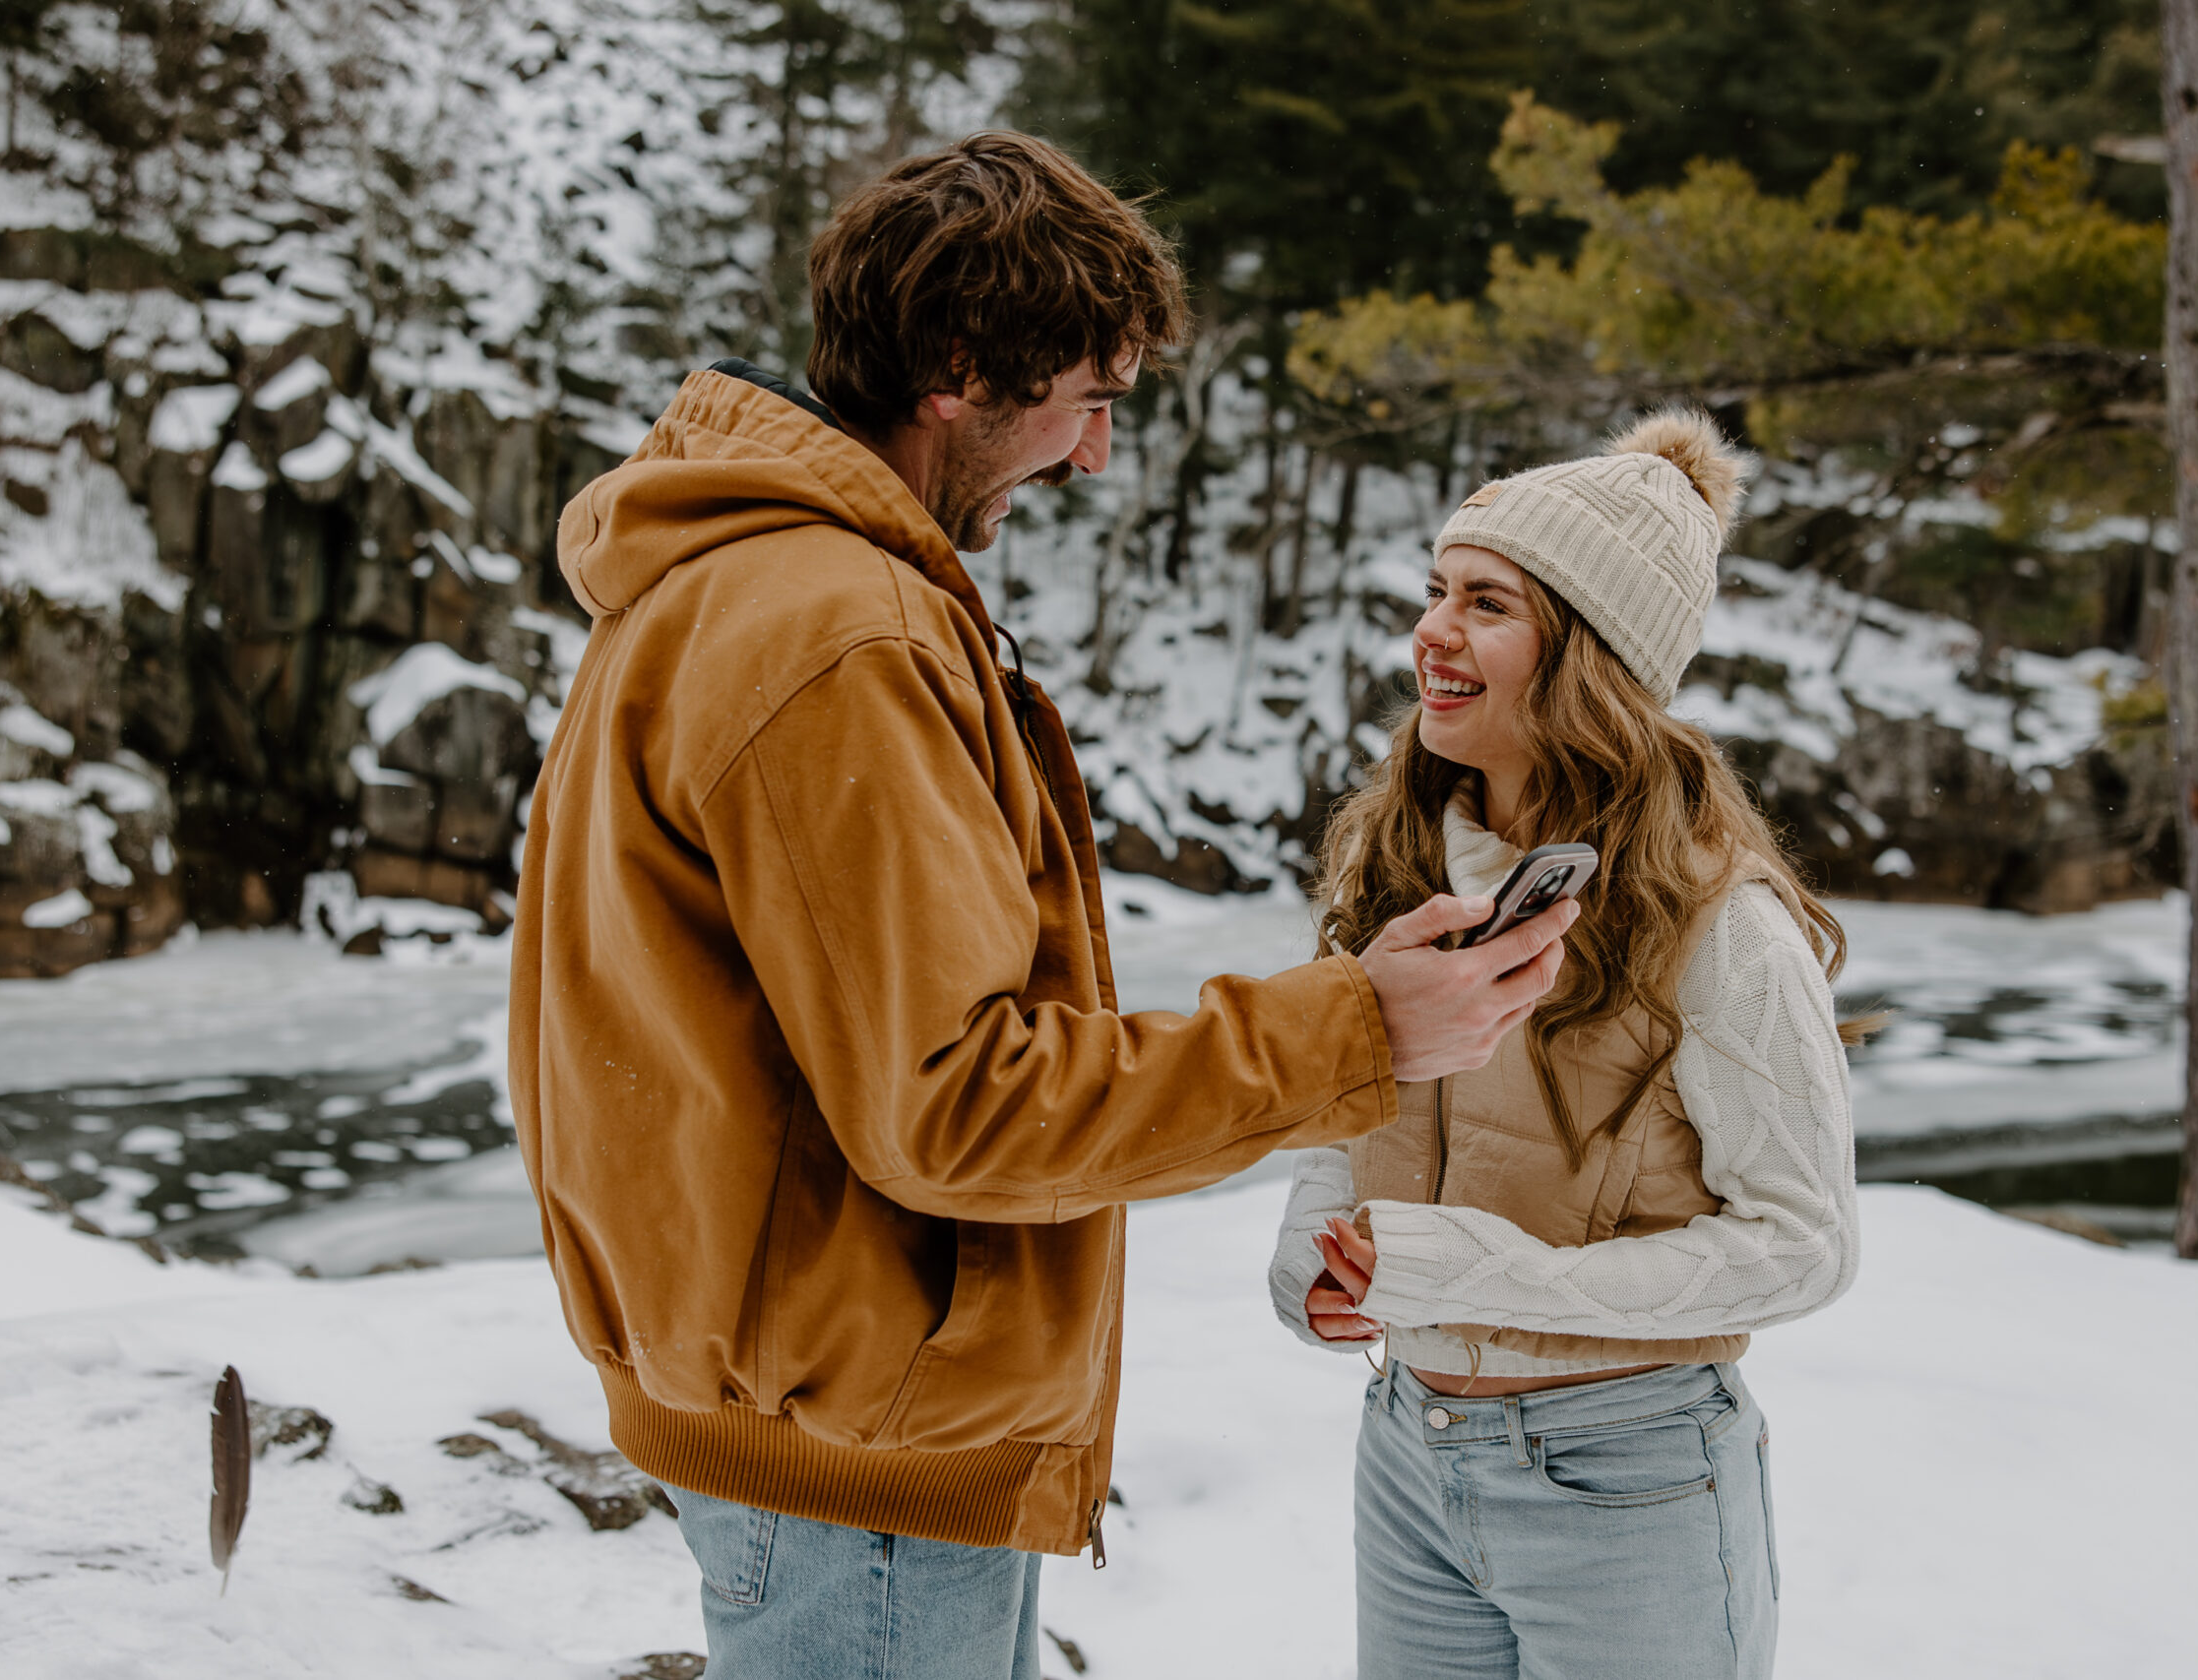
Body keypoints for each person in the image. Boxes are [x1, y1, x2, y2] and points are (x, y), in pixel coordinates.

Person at [507, 131, 1577, 1680]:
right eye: (1088, 401)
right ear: (956, 368)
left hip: (814, 1414)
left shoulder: (730, 577)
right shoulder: (837, 633)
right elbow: (959, 1106)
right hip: (861, 1458)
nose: (1092, 456)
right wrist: (1359, 1028)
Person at [1266, 410, 1865, 1680]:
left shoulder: (1723, 923)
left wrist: (1477, 1274)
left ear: (1587, 657)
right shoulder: (1397, 864)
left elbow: (1804, 1244)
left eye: (1486, 603)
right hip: (1408, 1451)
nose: (1431, 629)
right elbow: (1348, 1103)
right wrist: (1314, 1246)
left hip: (1627, 1475)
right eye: (1436, 591)